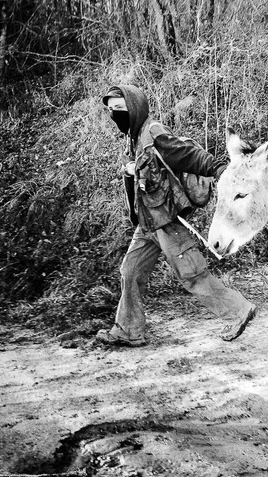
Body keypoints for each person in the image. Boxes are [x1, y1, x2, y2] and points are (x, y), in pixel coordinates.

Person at [96, 84, 256, 347]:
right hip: (148, 223)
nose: (115, 115)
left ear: (134, 108)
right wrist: (133, 171)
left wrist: (220, 170)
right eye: (111, 111)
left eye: (120, 109)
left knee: (192, 275)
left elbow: (187, 155)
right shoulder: (135, 138)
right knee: (130, 271)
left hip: (167, 221)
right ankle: (128, 330)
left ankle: (239, 311)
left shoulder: (154, 132)